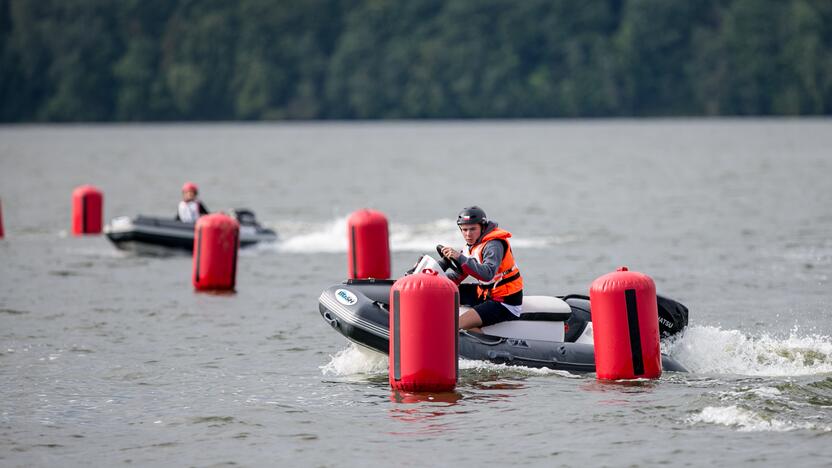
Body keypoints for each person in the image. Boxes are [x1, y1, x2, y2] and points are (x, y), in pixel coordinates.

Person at [441, 206, 523, 331]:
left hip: (504, 301)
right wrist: (433, 279)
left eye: (473, 229)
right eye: (464, 230)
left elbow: (487, 274)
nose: (468, 234)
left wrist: (459, 257)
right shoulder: (471, 246)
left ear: (483, 227)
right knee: (447, 292)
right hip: (485, 293)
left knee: (455, 325)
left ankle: (484, 347)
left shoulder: (493, 245)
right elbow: (458, 276)